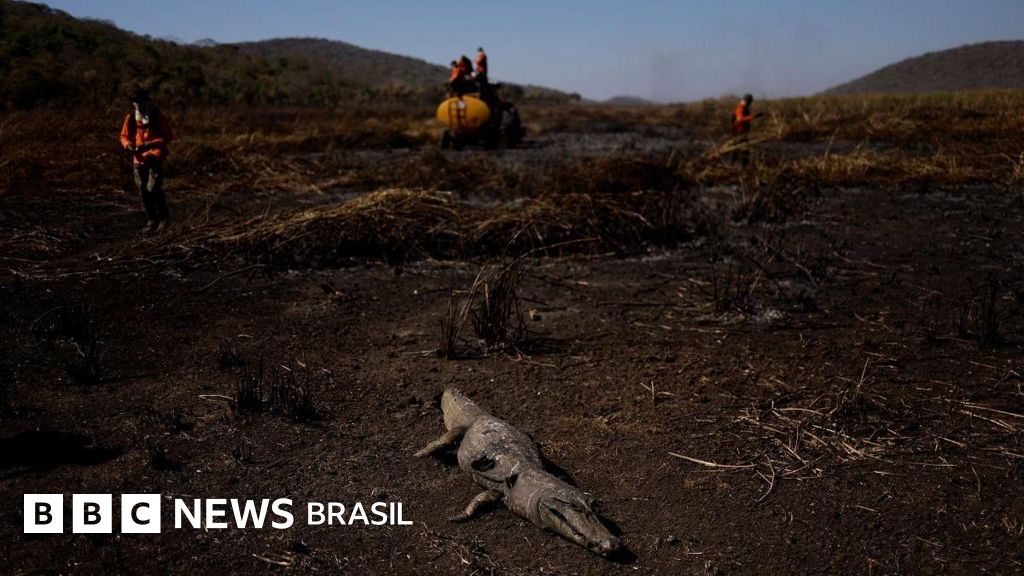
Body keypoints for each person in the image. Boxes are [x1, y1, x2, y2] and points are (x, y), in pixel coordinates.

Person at [120, 88, 174, 233]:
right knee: (143, 191)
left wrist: (150, 145)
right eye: (135, 102)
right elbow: (123, 136)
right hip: (138, 159)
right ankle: (152, 220)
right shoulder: (130, 117)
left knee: (154, 188)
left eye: (140, 101)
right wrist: (128, 145)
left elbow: (168, 136)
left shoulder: (157, 116)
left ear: (147, 101)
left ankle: (164, 219)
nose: (137, 104)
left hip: (155, 157)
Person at [730, 93, 759, 165]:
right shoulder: (741, 107)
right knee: (744, 151)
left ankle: (731, 165)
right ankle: (743, 168)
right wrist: (753, 116)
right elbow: (740, 119)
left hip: (738, 132)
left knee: (736, 150)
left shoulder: (740, 107)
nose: (750, 103)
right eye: (750, 101)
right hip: (740, 132)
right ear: (747, 101)